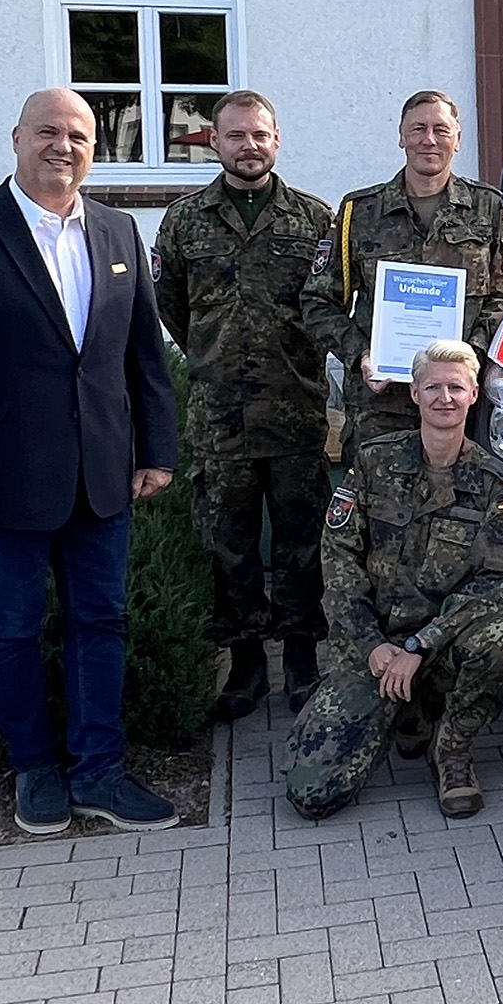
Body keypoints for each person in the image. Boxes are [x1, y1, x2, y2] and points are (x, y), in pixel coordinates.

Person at [0, 88, 180, 834]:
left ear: (95, 148)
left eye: (79, 135)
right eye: (49, 132)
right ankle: (36, 769)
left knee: (102, 620)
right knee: (10, 629)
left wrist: (156, 448)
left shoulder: (119, 231)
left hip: (103, 473)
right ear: (17, 137)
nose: (64, 145)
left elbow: (142, 354)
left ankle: (100, 770)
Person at [284, 340, 503, 821]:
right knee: (311, 793)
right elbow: (338, 562)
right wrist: (372, 644)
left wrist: (421, 645)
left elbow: (496, 583)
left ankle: (452, 748)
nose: (445, 397)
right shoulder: (374, 460)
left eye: (456, 388)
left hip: (439, 647)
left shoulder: (494, 481)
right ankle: (408, 712)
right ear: (415, 394)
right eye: (433, 387)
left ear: (474, 395)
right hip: (374, 648)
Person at [155, 89, 336, 720]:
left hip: (294, 413)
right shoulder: (183, 221)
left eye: (259, 134)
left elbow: (327, 305)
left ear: (277, 139)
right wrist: (215, 357)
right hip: (219, 418)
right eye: (235, 136)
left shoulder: (314, 220)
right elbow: (171, 307)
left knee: (300, 542)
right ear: (215, 142)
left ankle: (303, 659)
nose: (248, 146)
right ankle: (247, 665)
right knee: (228, 546)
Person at [300, 90, 503, 462]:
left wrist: (470, 357)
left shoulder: (487, 207)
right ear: (402, 137)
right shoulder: (360, 211)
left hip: (460, 403)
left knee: (459, 511)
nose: (429, 139)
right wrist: (362, 355)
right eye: (418, 129)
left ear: (458, 139)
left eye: (440, 129)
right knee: (377, 513)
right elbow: (318, 301)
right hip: (380, 404)